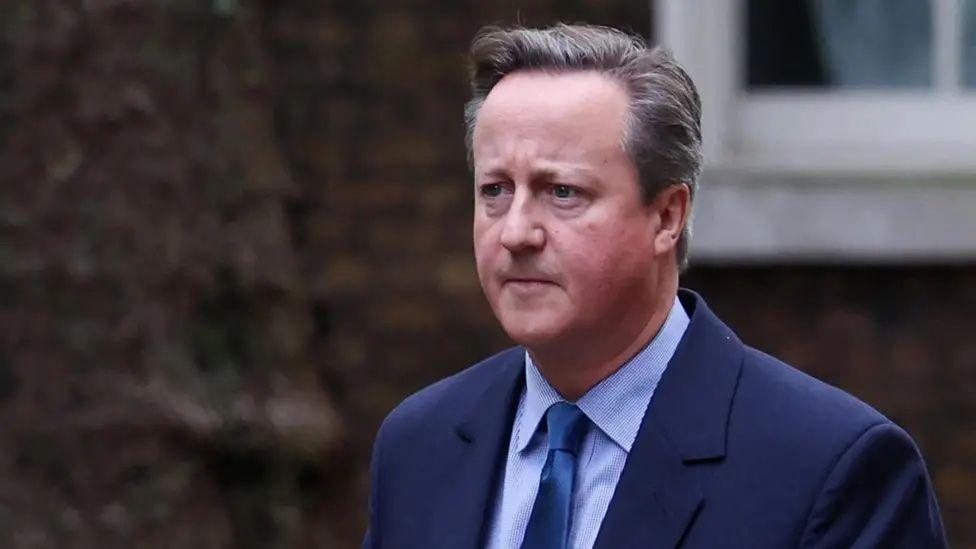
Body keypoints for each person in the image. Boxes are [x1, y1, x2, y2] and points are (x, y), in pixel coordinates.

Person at [363, 24, 947, 549]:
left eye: (562, 191)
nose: (515, 231)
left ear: (667, 216)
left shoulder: (831, 468)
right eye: (494, 190)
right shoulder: (421, 445)